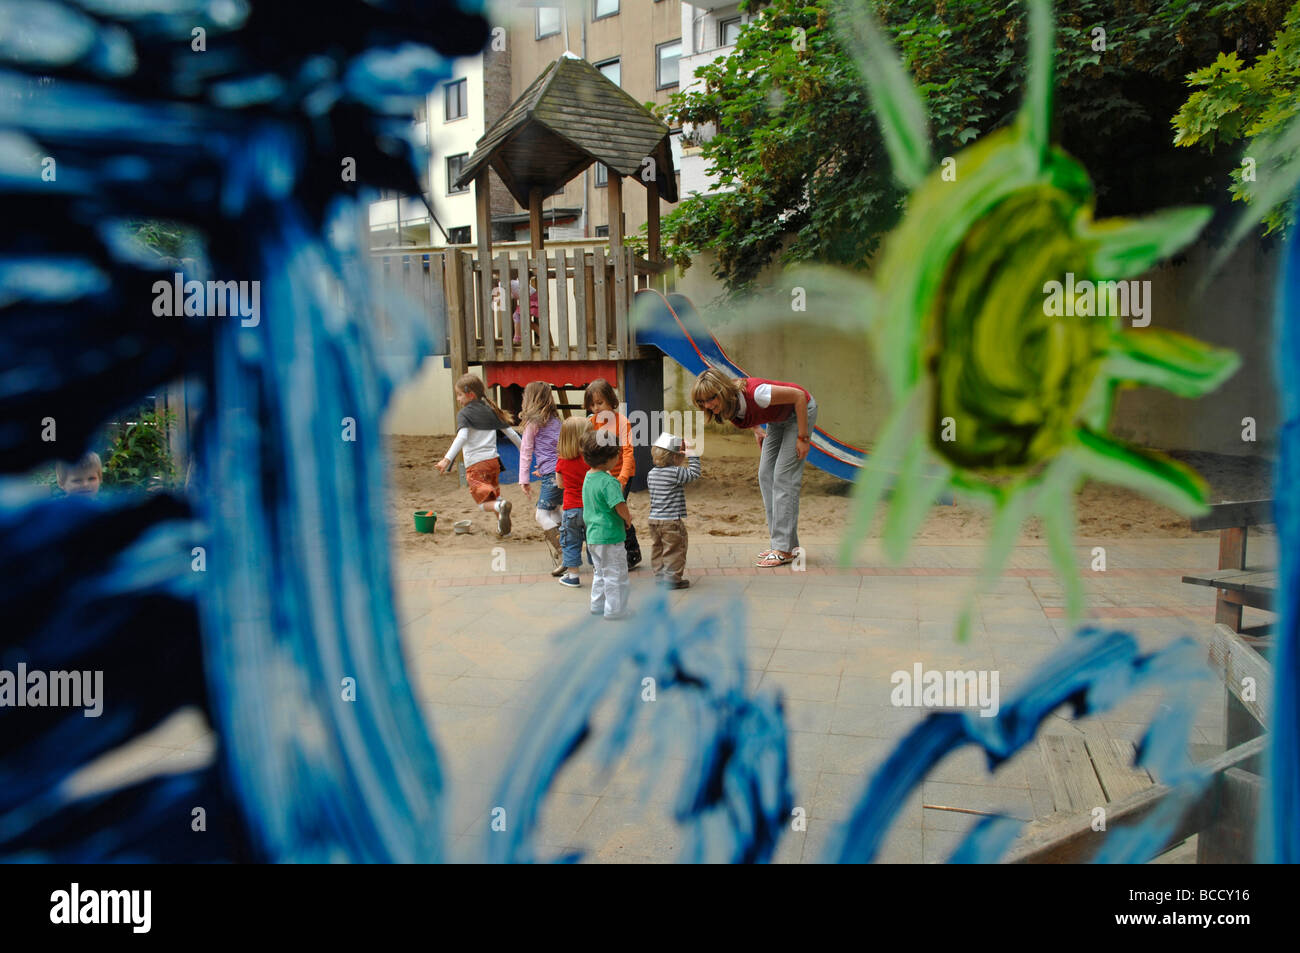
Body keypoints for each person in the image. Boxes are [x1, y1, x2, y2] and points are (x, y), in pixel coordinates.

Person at [691, 368, 818, 567]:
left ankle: (782, 549)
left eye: (710, 399)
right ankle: (787, 545)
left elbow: (799, 396)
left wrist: (803, 438)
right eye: (702, 402)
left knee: (784, 478)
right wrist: (757, 429)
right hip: (777, 419)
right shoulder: (728, 403)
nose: (708, 405)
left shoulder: (758, 393)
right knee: (765, 475)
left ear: (722, 391)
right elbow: (746, 411)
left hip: (799, 411)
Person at [434, 374, 522, 536]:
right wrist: (524, 451)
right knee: (495, 496)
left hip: (476, 465)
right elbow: (513, 435)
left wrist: (446, 459)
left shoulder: (464, 414)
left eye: (460, 394)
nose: (458, 399)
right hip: (494, 463)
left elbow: (462, 437)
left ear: (470, 394)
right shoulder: (491, 411)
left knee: (483, 504)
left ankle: (499, 507)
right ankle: (505, 531)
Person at [584, 378, 642, 570]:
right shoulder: (591, 423)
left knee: (618, 510)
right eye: (592, 404)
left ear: (611, 400)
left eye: (600, 403)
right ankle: (606, 553)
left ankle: (632, 551)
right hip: (601, 475)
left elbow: (627, 453)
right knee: (607, 511)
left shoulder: (622, 422)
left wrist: (622, 480)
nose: (596, 408)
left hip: (621, 474)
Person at [580, 429, 633, 620]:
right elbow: (619, 505)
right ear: (608, 458)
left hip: (593, 536)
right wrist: (628, 519)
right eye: (616, 453)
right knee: (616, 574)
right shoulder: (609, 482)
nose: (619, 455)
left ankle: (598, 604)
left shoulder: (589, 477)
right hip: (610, 536)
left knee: (600, 572)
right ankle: (615, 609)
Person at [517, 381, 564, 574]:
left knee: (541, 515)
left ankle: (565, 553)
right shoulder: (556, 421)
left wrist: (524, 479)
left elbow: (526, 451)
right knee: (554, 512)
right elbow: (555, 449)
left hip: (551, 476)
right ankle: (571, 544)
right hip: (561, 473)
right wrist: (543, 467)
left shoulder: (533, 423)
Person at [646, 432, 701, 589]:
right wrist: (693, 455)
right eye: (681, 455)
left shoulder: (651, 474)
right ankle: (672, 580)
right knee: (675, 549)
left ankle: (660, 576)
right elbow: (695, 473)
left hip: (654, 520)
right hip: (671, 521)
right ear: (675, 458)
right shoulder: (675, 472)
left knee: (658, 548)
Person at [554, 416, 592, 589]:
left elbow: (561, 484)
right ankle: (599, 570)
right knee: (594, 541)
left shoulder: (562, 461)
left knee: (570, 542)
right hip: (591, 508)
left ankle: (573, 576)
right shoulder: (590, 460)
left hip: (571, 509)